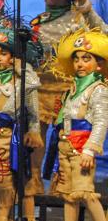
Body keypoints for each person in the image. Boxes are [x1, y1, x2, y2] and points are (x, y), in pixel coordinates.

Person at [0, 19, 43, 221]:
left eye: (3, 53)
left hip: (6, 138)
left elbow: (33, 112)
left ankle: (3, 215)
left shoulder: (22, 83)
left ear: (13, 57)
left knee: (4, 178)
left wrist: (34, 130)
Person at [42, 29, 108, 221]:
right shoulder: (73, 89)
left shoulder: (98, 90)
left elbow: (101, 122)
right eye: (77, 59)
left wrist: (89, 150)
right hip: (65, 146)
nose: (80, 63)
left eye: (86, 58)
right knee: (68, 195)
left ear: (99, 64)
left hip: (81, 148)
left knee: (85, 192)